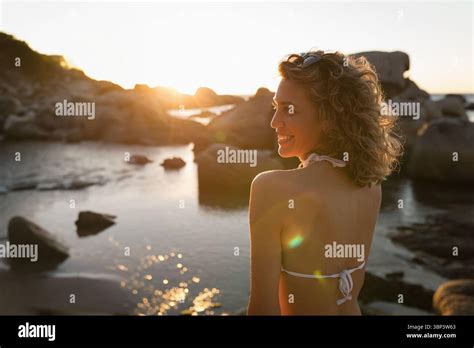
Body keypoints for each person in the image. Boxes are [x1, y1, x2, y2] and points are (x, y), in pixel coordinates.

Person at [247, 50, 402, 315]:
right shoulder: (370, 185)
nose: (274, 122)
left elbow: (263, 308)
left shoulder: (270, 188)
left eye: (289, 110)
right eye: (276, 107)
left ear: (329, 117)